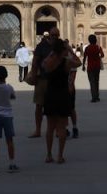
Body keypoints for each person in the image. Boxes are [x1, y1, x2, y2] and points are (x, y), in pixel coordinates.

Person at [41, 36, 80, 164]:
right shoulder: (66, 62)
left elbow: (43, 64)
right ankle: (60, 156)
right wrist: (71, 50)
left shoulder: (49, 61)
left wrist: (52, 53)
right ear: (63, 50)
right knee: (62, 128)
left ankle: (48, 155)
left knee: (50, 128)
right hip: (63, 95)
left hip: (50, 95)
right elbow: (78, 62)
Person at [27, 28, 58, 138]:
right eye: (53, 35)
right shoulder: (41, 46)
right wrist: (34, 76)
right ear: (49, 35)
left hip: (56, 80)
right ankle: (38, 130)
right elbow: (35, 62)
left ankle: (57, 129)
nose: (55, 37)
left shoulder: (60, 46)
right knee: (39, 105)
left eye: (56, 35)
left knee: (56, 106)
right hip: (42, 79)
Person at [82, 34, 104, 102]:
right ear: (95, 40)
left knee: (92, 82)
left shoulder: (87, 48)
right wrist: (98, 56)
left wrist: (83, 65)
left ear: (89, 40)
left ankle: (93, 97)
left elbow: (84, 57)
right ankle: (97, 96)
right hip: (97, 67)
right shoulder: (98, 47)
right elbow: (102, 55)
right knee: (97, 81)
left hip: (90, 67)